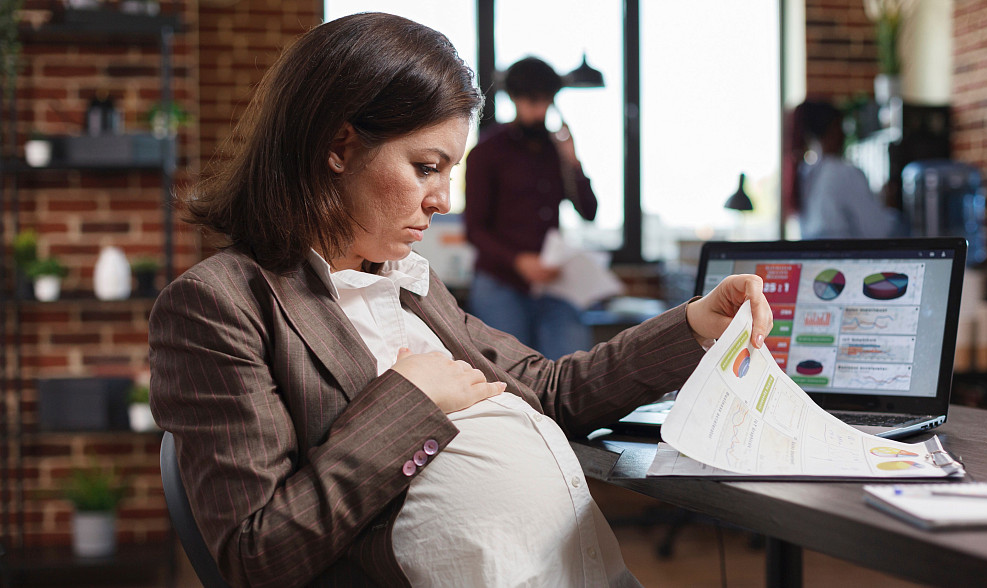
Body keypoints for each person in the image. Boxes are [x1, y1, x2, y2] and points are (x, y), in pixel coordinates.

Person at [148, 13, 773, 587]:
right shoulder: (220, 306)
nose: (444, 200)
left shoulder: (409, 284)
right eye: (426, 167)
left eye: (450, 172)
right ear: (338, 147)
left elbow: (549, 391)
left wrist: (695, 323)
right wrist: (410, 402)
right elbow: (256, 556)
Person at [464, 56, 597, 359]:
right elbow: (475, 229)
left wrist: (574, 163)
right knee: (509, 371)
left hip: (552, 281)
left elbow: (589, 211)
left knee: (573, 366)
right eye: (532, 102)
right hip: (501, 280)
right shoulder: (487, 152)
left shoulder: (556, 151)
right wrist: (518, 261)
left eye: (546, 102)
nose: (540, 111)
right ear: (515, 99)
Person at [788, 100, 901, 239]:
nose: (844, 134)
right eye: (841, 126)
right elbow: (879, 231)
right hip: (842, 252)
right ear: (833, 129)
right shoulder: (842, 173)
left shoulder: (805, 173)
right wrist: (890, 206)